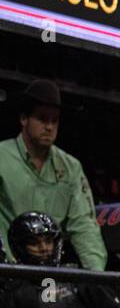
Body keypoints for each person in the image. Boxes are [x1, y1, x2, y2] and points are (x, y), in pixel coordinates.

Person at [0, 80, 107, 270]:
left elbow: (84, 225)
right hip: (7, 271)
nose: (49, 126)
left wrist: (96, 276)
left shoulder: (71, 167)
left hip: (51, 274)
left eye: (54, 120)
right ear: (24, 119)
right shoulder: (2, 157)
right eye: (42, 118)